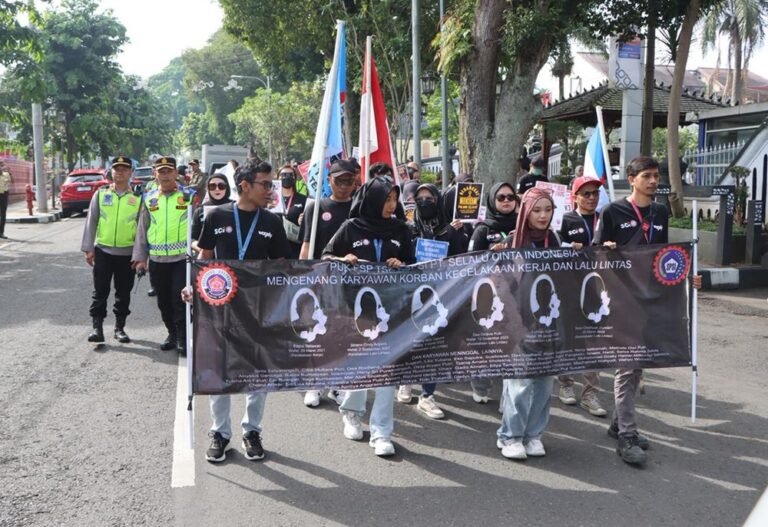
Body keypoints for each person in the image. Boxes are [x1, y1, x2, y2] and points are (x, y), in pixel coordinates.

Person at [595, 155, 701, 466]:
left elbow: (664, 257)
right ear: (631, 179)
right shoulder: (612, 211)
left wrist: (688, 274)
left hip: (650, 298)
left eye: (656, 176)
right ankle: (627, 435)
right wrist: (609, 251)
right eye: (647, 176)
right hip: (622, 298)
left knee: (638, 362)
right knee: (627, 365)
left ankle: (618, 423)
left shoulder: (659, 211)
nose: (653, 181)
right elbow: (596, 256)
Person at [190, 158, 289, 463]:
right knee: (220, 371)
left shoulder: (272, 222)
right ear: (244, 185)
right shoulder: (216, 215)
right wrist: (193, 288)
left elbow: (282, 268)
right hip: (219, 308)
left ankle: (252, 431)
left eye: (271, 184)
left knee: (257, 373)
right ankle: (220, 433)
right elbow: (205, 259)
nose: (270, 190)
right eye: (265, 184)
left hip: (258, 310)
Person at [322, 174, 414, 456]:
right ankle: (352, 413)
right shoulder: (351, 227)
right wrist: (342, 259)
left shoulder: (401, 229)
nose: (392, 204)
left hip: (391, 308)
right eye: (387, 199)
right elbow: (325, 257)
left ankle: (382, 432)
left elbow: (415, 265)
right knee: (359, 367)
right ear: (373, 199)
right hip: (354, 309)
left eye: (395, 199)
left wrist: (402, 264)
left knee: (386, 371)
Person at [495, 187, 560, 460]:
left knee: (544, 382)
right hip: (520, 324)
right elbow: (499, 286)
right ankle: (510, 436)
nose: (543, 216)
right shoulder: (512, 243)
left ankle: (534, 434)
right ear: (526, 212)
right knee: (519, 384)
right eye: (537, 210)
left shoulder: (556, 241)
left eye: (547, 209)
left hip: (550, 323)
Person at [397, 183, 466, 419]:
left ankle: (428, 395)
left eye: (430, 198)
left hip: (441, 296)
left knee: (435, 345)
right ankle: (405, 380)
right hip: (411, 295)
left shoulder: (450, 231)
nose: (425, 202)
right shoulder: (406, 230)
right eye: (420, 198)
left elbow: (461, 263)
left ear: (438, 201)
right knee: (410, 341)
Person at [299, 159, 356, 408]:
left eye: (349, 180)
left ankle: (337, 385)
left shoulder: (359, 208)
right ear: (328, 181)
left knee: (344, 334)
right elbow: (306, 247)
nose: (344, 186)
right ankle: (315, 383)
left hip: (351, 282)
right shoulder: (316, 207)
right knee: (318, 334)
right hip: (321, 280)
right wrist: (304, 277)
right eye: (339, 180)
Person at [556, 176, 608, 417]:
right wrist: (569, 247)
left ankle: (590, 393)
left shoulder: (605, 218)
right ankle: (566, 384)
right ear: (574, 197)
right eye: (585, 194)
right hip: (570, 287)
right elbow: (554, 251)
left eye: (595, 194)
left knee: (593, 341)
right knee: (569, 337)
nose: (591, 198)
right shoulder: (566, 220)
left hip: (599, 288)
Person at [132, 156, 193, 354]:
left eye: (169, 171)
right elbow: (143, 229)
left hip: (181, 260)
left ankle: (183, 338)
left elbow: (199, 224)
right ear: (155, 175)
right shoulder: (149, 198)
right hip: (157, 260)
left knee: (179, 300)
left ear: (176, 173)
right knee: (163, 301)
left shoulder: (188, 196)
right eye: (161, 172)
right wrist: (141, 258)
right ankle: (172, 334)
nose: (165, 175)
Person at [467, 182, 520, 404]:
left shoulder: (523, 226)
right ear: (492, 201)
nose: (506, 201)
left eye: (510, 197)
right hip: (489, 295)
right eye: (501, 198)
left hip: (517, 294)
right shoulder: (483, 229)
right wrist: (490, 253)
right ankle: (481, 384)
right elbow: (470, 262)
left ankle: (509, 398)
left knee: (513, 345)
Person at [80, 156, 140, 344]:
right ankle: (97, 328)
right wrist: (89, 248)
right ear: (111, 172)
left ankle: (119, 328)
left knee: (123, 293)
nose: (120, 172)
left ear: (130, 172)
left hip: (127, 253)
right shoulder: (101, 194)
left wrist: (139, 255)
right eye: (116, 168)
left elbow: (142, 229)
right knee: (100, 291)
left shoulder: (138, 198)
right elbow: (92, 221)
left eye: (124, 169)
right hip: (103, 251)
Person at [190, 172, 234, 254]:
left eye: (221, 186)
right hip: (207, 260)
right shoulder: (200, 210)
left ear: (227, 187)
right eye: (212, 186)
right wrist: (204, 250)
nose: (217, 189)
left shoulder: (236, 207)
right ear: (208, 189)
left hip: (232, 258)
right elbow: (192, 238)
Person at [276, 164, 307, 259]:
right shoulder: (270, 198)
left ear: (295, 178)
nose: (287, 177)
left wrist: (303, 222)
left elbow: (310, 226)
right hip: (275, 248)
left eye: (290, 175)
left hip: (295, 249)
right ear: (277, 178)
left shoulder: (303, 199)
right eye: (284, 175)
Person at [0, 160, 14, 239]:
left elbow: (12, 181)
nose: (1, 167)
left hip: (4, 195)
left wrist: (10, 173)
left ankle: (1, 232)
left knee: (3, 214)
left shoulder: (6, 174)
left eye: (2, 166)